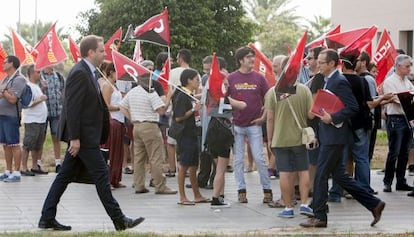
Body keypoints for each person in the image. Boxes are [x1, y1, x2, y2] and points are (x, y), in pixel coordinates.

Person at [38, 35, 144, 231]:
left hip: (87, 136)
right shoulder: (80, 72)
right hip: (84, 138)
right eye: (102, 50)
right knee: (102, 175)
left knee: (64, 177)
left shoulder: (90, 72)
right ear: (91, 52)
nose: (105, 53)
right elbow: (73, 107)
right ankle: (119, 219)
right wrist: (75, 138)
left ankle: (46, 217)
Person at [300, 49, 385, 228]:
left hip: (335, 136)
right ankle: (374, 204)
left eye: (322, 62)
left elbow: (353, 107)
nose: (318, 64)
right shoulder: (326, 80)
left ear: (332, 63)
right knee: (340, 176)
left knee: (321, 175)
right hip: (328, 135)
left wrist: (333, 118)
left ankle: (320, 216)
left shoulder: (339, 81)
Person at [227, 46, 273, 204]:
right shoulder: (231, 78)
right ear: (240, 60)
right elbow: (223, 98)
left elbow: (269, 98)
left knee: (260, 158)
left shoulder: (259, 78)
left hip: (255, 125)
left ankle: (267, 190)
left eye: (252, 57)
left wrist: (264, 117)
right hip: (237, 125)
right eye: (248, 57)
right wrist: (236, 104)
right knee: (238, 160)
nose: (252, 60)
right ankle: (241, 190)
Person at [119, 72, 177, 195]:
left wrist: (131, 118)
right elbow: (161, 111)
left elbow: (122, 106)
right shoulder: (151, 93)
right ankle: (160, 186)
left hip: (137, 126)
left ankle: (139, 185)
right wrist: (169, 98)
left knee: (139, 158)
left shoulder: (133, 92)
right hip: (150, 125)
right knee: (156, 157)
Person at [265, 82, 314, 218]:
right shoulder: (304, 90)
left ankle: (288, 207)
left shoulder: (273, 91)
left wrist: (269, 140)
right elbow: (311, 115)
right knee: (303, 170)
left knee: (285, 173)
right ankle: (304, 204)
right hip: (299, 138)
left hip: (280, 139)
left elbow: (270, 118)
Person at [204, 70, 246, 208]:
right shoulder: (226, 99)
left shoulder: (210, 98)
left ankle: (220, 194)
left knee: (218, 167)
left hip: (211, 131)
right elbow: (242, 105)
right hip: (223, 133)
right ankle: (215, 198)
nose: (228, 86)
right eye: (226, 84)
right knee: (221, 169)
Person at [173, 68, 210, 205]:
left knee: (194, 165)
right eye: (196, 80)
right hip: (185, 135)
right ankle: (182, 196)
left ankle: (197, 194)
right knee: (184, 165)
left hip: (194, 133)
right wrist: (193, 110)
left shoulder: (189, 95)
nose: (198, 82)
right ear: (188, 80)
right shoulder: (182, 96)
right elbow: (178, 117)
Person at [382, 54, 414, 192]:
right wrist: (407, 99)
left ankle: (400, 181)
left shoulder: (407, 82)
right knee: (394, 152)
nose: (409, 69)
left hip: (407, 119)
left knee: (405, 152)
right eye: (407, 66)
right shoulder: (390, 81)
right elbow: (394, 98)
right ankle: (387, 181)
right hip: (395, 119)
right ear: (398, 66)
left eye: (410, 66)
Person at [101, 62, 126, 189]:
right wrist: (120, 107)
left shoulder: (114, 86)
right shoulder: (107, 85)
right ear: (111, 72)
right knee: (111, 152)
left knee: (118, 152)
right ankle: (108, 179)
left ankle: (115, 178)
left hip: (120, 120)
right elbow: (106, 106)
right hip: (113, 120)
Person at [21, 65, 48, 176]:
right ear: (32, 74)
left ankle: (34, 166)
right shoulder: (27, 87)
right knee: (28, 144)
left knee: (37, 145)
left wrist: (42, 90)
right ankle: (23, 167)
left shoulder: (36, 86)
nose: (40, 74)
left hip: (41, 120)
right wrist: (41, 99)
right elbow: (27, 103)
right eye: (38, 72)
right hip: (32, 120)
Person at [0, 55, 24, 183]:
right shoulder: (5, 80)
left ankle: (17, 172)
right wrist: (4, 92)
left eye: (5, 62)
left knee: (14, 144)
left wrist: (4, 92)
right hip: (2, 115)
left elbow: (13, 99)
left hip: (11, 116)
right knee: (5, 145)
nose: (3, 64)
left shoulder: (18, 79)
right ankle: (8, 170)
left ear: (12, 64)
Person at [40, 66, 65, 173]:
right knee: (41, 138)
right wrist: (42, 88)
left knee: (56, 137)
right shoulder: (39, 75)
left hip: (57, 112)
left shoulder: (58, 76)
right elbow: (34, 92)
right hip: (43, 112)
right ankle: (37, 164)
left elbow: (63, 92)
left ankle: (58, 163)